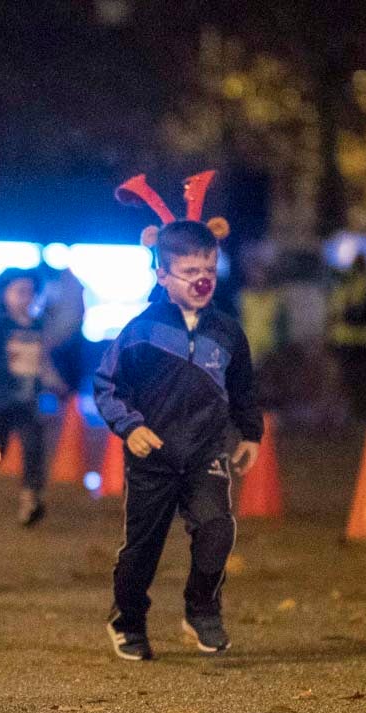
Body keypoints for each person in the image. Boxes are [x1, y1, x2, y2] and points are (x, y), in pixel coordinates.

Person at [98, 171, 262, 660]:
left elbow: (243, 388)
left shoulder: (229, 332)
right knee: (141, 550)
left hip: (206, 452)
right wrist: (131, 427)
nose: (202, 278)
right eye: (189, 271)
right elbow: (107, 386)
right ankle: (127, 620)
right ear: (162, 275)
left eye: (208, 266)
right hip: (153, 457)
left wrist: (250, 434)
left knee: (218, 529)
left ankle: (202, 611)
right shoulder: (139, 331)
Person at [0, 268, 49, 526]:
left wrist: (57, 385)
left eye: (29, 292)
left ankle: (30, 501)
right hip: (0, 400)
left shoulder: (39, 326)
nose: (24, 297)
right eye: (18, 291)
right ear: (5, 294)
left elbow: (43, 362)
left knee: (33, 448)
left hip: (29, 402)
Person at [327, 254, 366, 424]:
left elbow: (348, 313)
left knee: (354, 381)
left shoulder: (351, 286)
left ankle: (355, 415)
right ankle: (357, 415)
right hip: (358, 342)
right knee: (359, 382)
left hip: (351, 341)